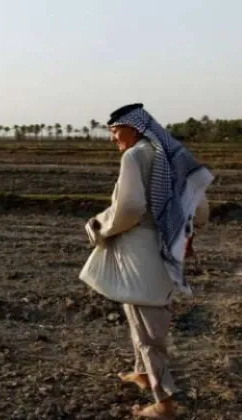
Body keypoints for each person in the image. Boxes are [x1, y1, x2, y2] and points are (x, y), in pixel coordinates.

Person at [84, 103, 214, 419]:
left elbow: (130, 207)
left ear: (134, 127)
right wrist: (182, 232)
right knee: (136, 311)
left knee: (148, 330)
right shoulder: (175, 156)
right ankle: (142, 374)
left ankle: (164, 403)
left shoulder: (134, 156)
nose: (113, 138)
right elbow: (200, 210)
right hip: (168, 247)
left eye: (115, 131)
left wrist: (100, 226)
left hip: (140, 249)